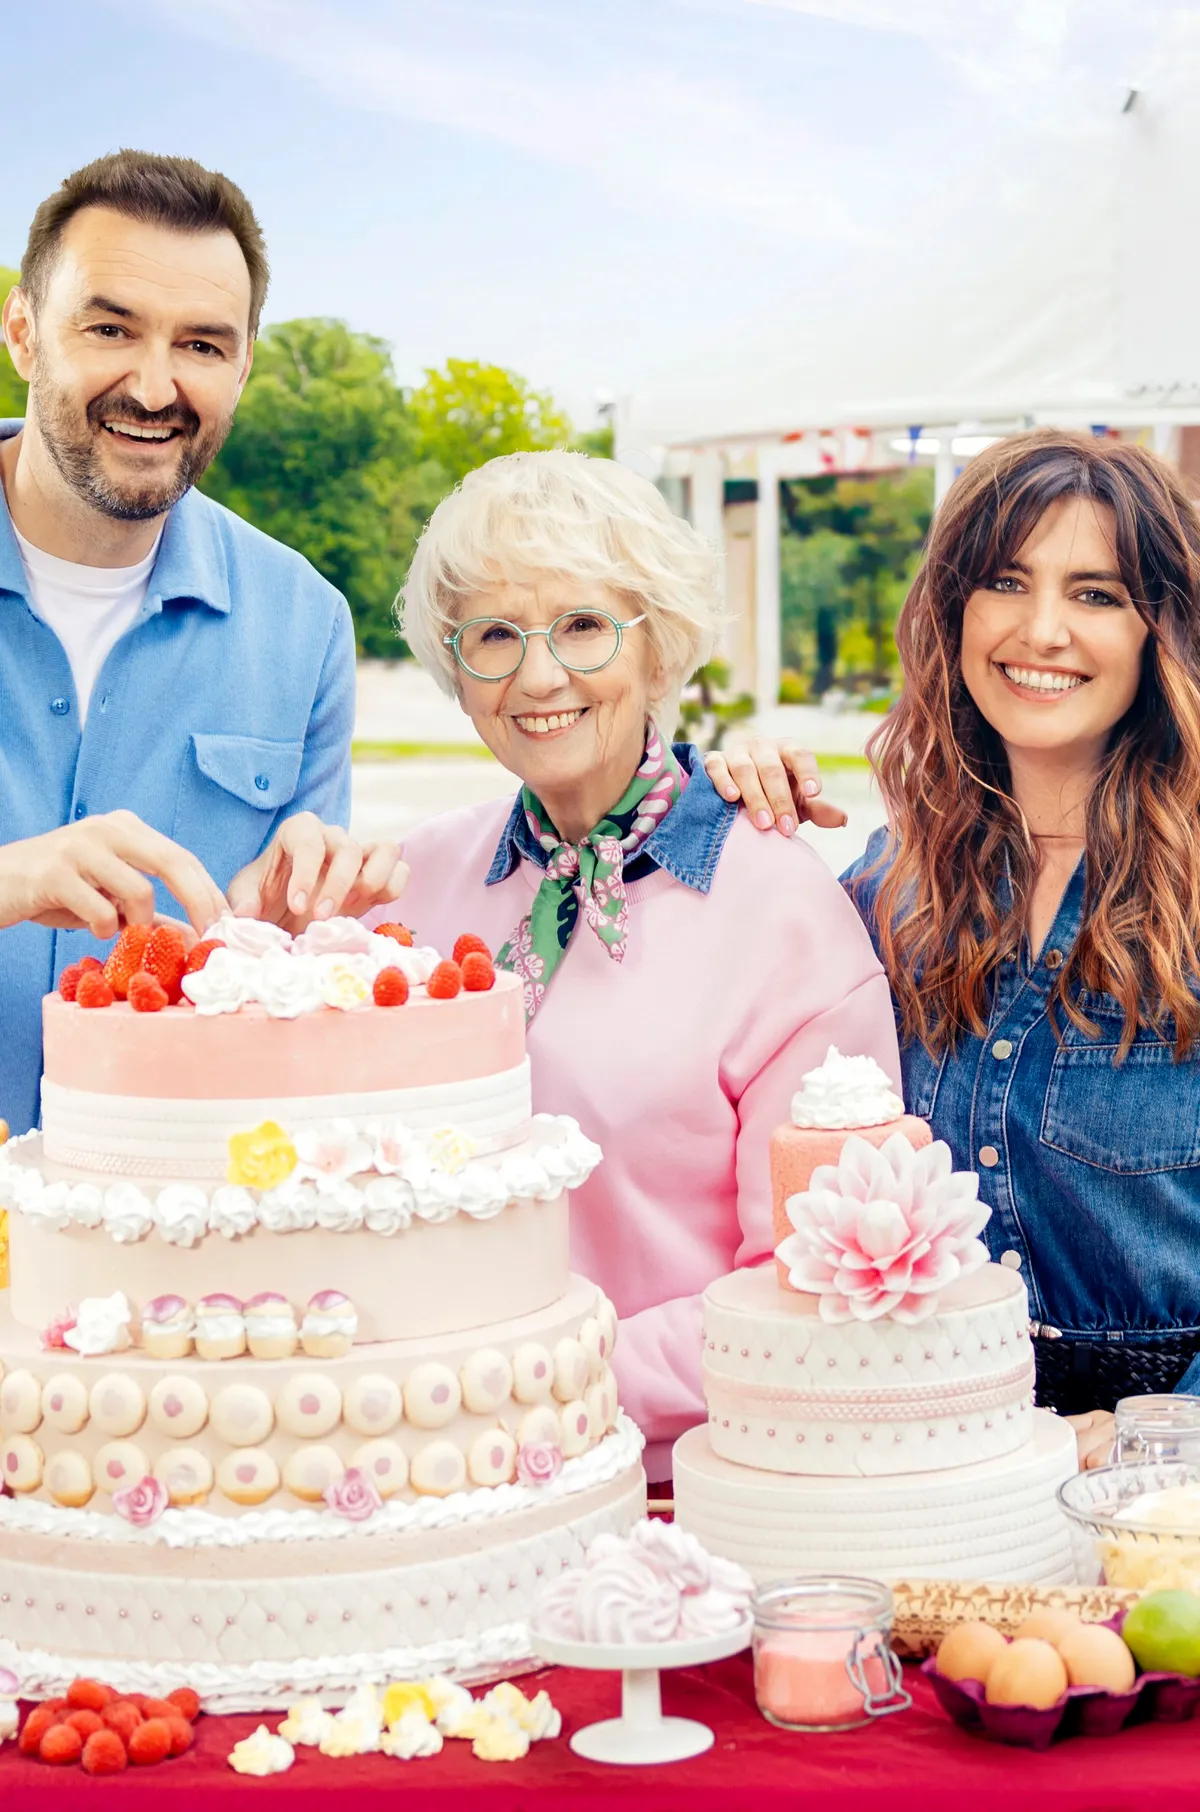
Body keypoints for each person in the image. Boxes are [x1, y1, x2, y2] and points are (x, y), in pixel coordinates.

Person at [368, 450, 901, 1483]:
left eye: (580, 626)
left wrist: (537, 1389)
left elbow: (811, 1279)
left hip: (674, 1491)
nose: (537, 676)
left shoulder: (784, 908)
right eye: (493, 636)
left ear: (657, 646)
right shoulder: (406, 885)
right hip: (423, 1474)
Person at [728, 430, 1200, 1472]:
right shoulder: (885, 894)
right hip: (924, 1454)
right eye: (1005, 582)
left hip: (1170, 1492)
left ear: (1161, 628)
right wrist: (716, 809)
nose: (1042, 631)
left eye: (1097, 594)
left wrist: (1150, 1437)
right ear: (954, 611)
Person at [0, 151, 401, 1137]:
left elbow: (278, 999)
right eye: (110, 328)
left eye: (203, 345)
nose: (154, 384)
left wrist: (309, 934)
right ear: (22, 332)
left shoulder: (305, 624)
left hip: (173, 1246)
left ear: (245, 365)